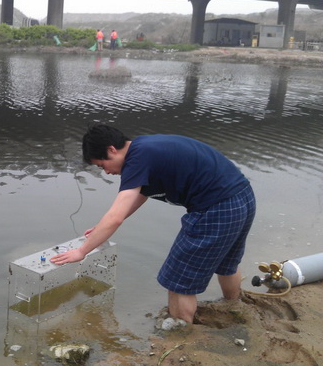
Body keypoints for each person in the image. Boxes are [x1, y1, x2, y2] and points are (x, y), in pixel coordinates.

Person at [50, 124, 256, 325]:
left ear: (111, 150)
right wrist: (100, 228)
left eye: (102, 165)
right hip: (242, 197)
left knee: (178, 280)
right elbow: (140, 194)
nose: (106, 172)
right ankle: (234, 309)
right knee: (227, 264)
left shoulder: (137, 159)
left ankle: (181, 334)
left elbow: (115, 217)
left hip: (217, 207)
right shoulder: (145, 148)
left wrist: (82, 251)